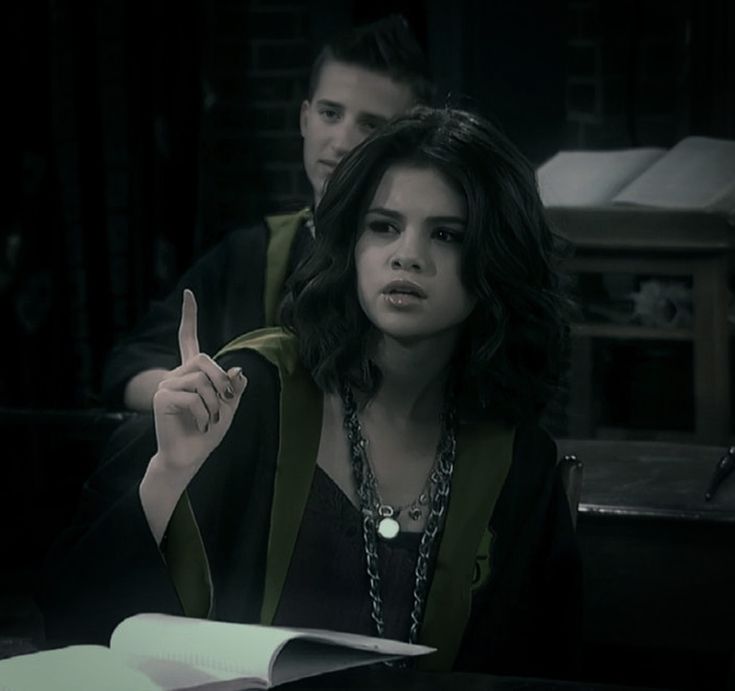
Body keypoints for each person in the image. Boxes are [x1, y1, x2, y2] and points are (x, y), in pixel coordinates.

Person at [41, 106, 581, 680]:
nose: (407, 255)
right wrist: (167, 476)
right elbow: (75, 619)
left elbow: (544, 663)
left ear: (497, 257)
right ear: (351, 241)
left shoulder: (515, 460)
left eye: (446, 235)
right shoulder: (254, 393)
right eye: (384, 226)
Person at [102, 14, 433, 411]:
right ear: (304, 119)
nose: (342, 142)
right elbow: (129, 364)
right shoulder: (251, 252)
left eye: (370, 124)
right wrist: (185, 394)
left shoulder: (420, 261)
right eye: (331, 114)